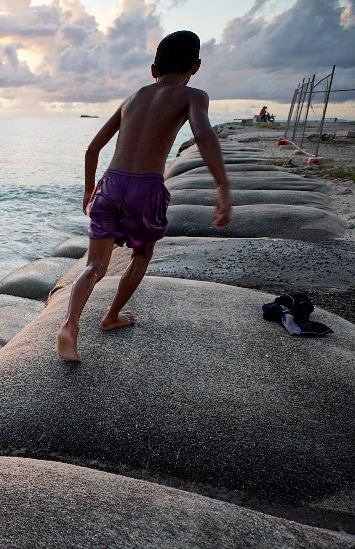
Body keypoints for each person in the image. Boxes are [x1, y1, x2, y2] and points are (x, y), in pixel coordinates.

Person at [56, 30, 232, 362]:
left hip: (110, 184)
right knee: (141, 256)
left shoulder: (133, 98)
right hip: (146, 188)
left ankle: (69, 325)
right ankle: (110, 317)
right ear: (195, 66)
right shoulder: (193, 95)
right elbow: (204, 133)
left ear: (153, 69)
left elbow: (93, 148)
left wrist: (89, 189)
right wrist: (222, 185)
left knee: (94, 265)